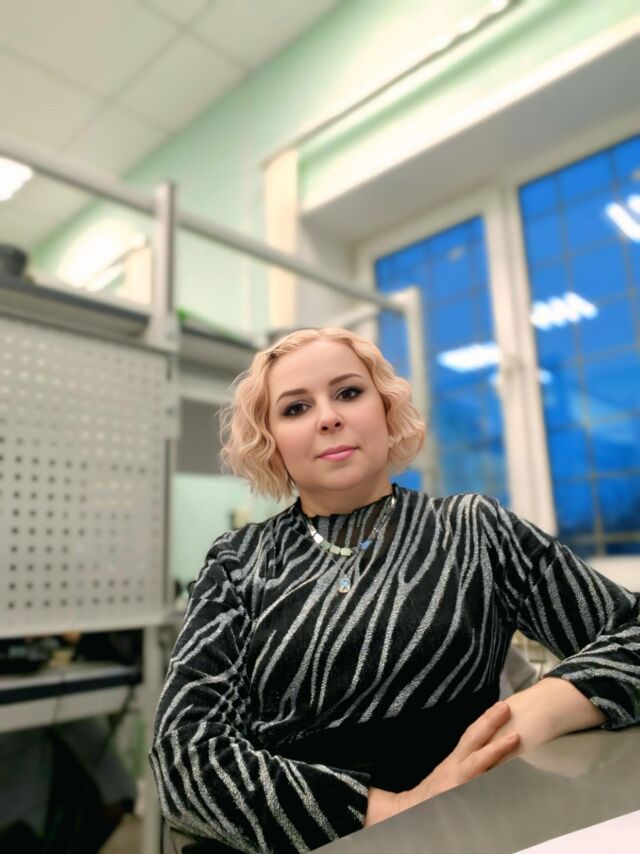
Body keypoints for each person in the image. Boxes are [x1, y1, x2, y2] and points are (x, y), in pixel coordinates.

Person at [150, 327, 640, 853]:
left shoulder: (474, 530)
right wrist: (396, 810)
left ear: (385, 409)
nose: (328, 417)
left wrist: (527, 715)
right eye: (295, 408)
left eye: (348, 392)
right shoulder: (238, 561)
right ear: (271, 441)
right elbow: (182, 754)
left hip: (471, 830)